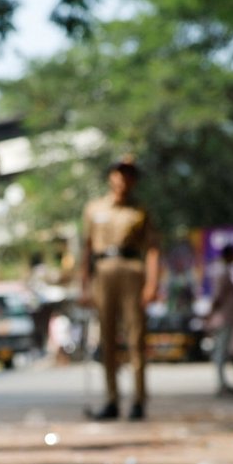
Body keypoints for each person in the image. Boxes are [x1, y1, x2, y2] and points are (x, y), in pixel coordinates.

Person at [79, 158, 161, 420]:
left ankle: (138, 399)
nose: (123, 180)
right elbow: (87, 249)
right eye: (119, 174)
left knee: (136, 338)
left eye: (129, 175)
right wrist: (84, 286)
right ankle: (111, 400)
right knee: (107, 340)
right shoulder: (94, 209)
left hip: (131, 272)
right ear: (110, 177)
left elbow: (153, 250)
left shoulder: (140, 211)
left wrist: (152, 283)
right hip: (102, 273)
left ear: (134, 180)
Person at [207, 244, 233, 395]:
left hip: (227, 317)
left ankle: (223, 382)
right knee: (221, 352)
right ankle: (221, 383)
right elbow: (218, 297)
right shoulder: (222, 272)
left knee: (224, 351)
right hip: (223, 318)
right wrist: (210, 313)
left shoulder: (226, 271)